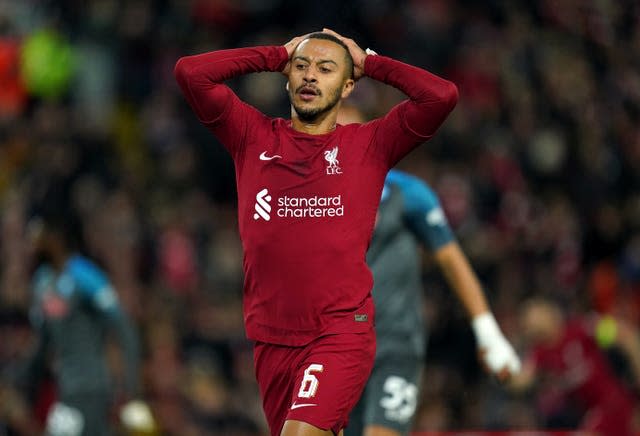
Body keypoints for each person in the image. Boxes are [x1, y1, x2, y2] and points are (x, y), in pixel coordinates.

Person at [174, 29, 518, 436]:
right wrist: (273, 55)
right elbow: (190, 72)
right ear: (287, 76)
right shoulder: (252, 136)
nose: (310, 77)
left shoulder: (370, 146)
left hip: (339, 332)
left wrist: (371, 62)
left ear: (348, 85)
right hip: (271, 337)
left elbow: (440, 96)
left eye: (325, 69)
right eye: (301, 67)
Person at [337, 104, 518, 436]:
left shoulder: (407, 194)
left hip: (394, 343)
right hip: (333, 346)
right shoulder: (306, 203)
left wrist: (488, 333)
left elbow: (451, 259)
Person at [18, 212, 155, 436]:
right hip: (65, 387)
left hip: (93, 387)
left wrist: (132, 387)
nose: (31, 240)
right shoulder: (42, 282)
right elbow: (43, 342)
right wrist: (21, 377)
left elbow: (124, 328)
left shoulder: (85, 276)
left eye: (36, 232)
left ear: (56, 236)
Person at [511, 297, 640, 436]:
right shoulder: (540, 354)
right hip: (592, 412)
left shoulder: (580, 329)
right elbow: (521, 381)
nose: (532, 324)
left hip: (615, 404)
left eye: (535, 316)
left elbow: (625, 335)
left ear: (549, 313)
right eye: (528, 321)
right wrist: (500, 368)